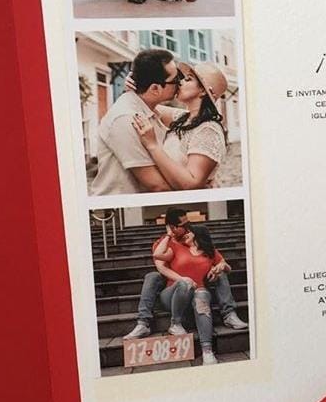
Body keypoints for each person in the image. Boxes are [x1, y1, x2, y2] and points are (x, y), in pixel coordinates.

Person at [124, 208, 248, 346]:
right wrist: (183, 280)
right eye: (184, 225)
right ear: (173, 227)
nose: (188, 228)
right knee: (153, 276)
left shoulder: (198, 245)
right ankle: (143, 322)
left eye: (188, 223)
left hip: (199, 290)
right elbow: (161, 266)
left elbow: (221, 262)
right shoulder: (166, 244)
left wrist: (218, 267)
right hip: (175, 290)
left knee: (220, 273)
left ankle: (228, 315)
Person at [90, 49, 180, 196]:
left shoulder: (148, 109)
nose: (180, 83)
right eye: (176, 80)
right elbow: (157, 186)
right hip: (118, 207)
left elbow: (189, 117)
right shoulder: (126, 118)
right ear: (155, 88)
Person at [131, 61, 230, 189]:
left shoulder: (208, 130)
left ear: (203, 91)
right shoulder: (183, 118)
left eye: (188, 79)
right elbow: (145, 104)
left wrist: (153, 146)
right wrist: (134, 86)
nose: (180, 82)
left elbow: (191, 184)